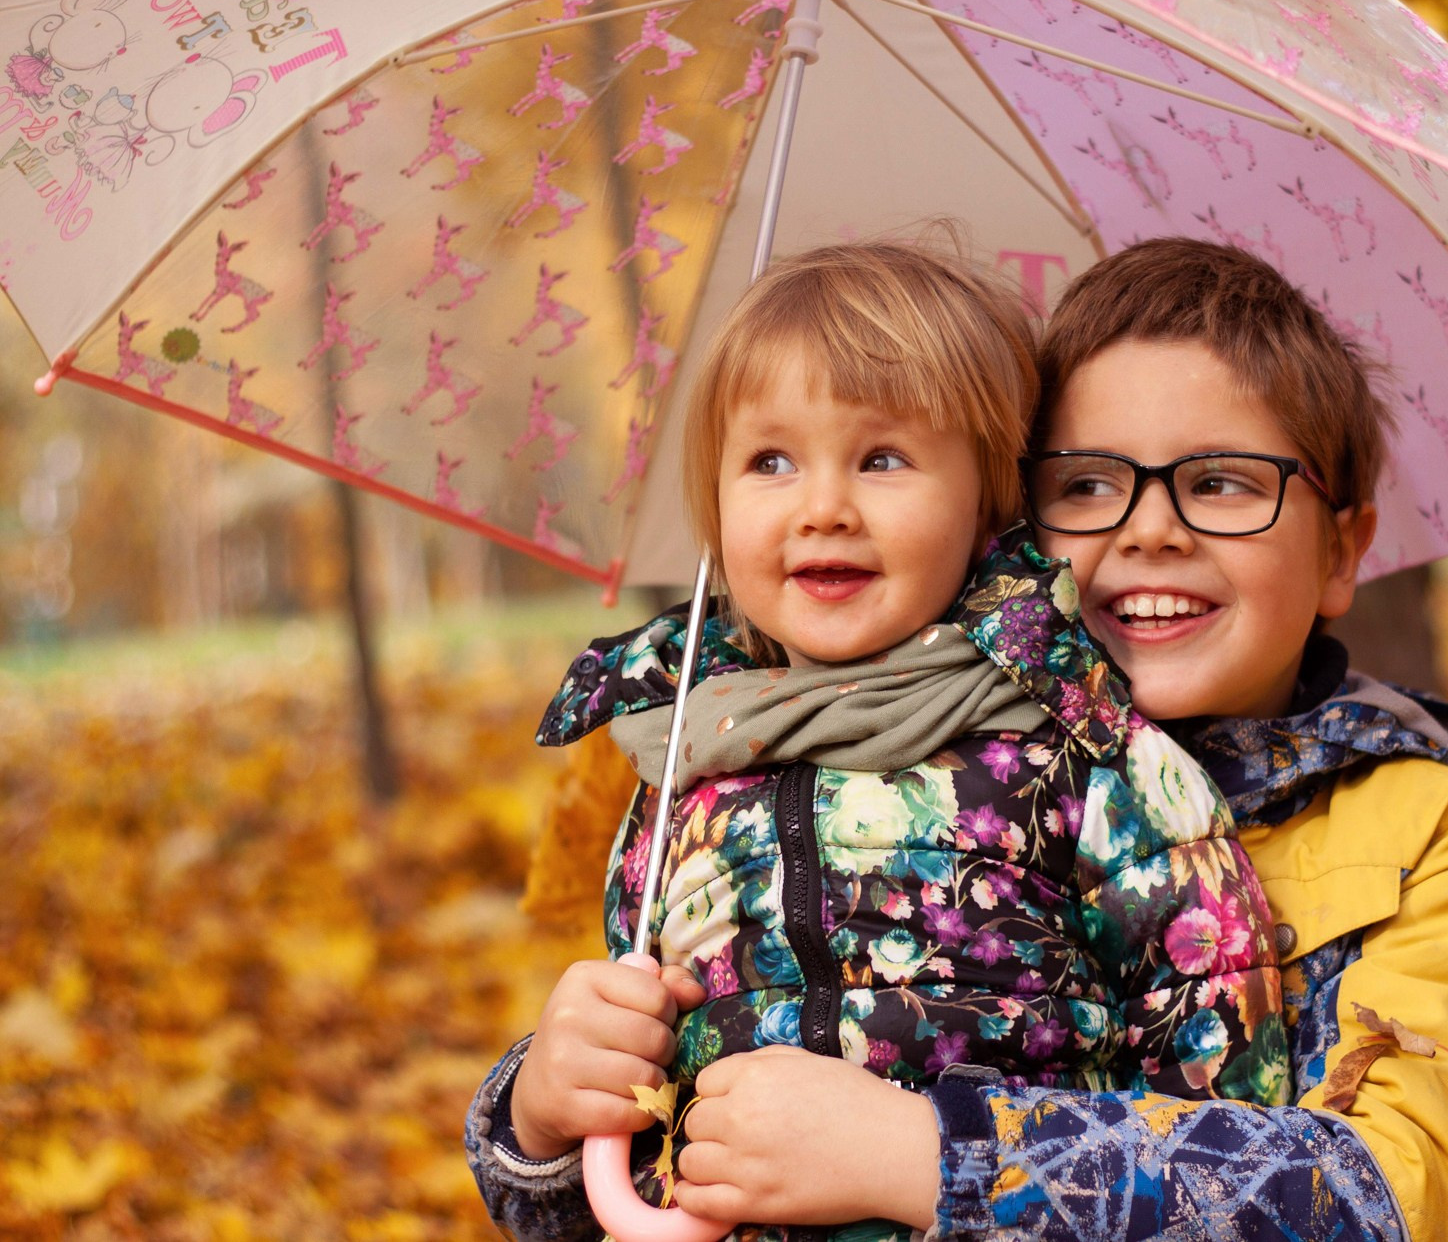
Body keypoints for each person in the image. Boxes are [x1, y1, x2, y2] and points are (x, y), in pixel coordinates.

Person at [619, 239, 1448, 1241]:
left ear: (1338, 549)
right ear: (1004, 516)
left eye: (1225, 482)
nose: (1148, 530)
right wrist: (537, 1129)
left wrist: (926, 1156)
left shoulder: (1435, 834)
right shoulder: (852, 775)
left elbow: (1377, 1202)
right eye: (1088, 484)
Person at [464, 239, 1291, 1241]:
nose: (821, 508)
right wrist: (545, 1114)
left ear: (988, 498)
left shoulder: (1085, 751)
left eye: (882, 458)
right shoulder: (684, 764)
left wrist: (937, 1157)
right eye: (769, 460)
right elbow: (630, 1126)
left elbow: (1230, 1119)